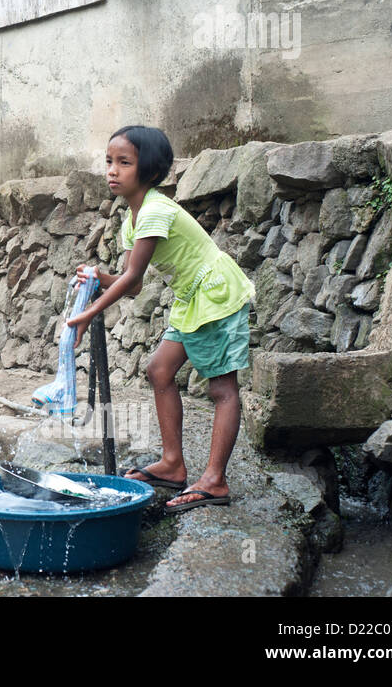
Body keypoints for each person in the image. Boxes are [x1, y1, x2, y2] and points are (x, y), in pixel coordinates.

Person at [65, 125, 254, 512]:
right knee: (159, 370)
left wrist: (89, 312)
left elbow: (133, 278)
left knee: (222, 389)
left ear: (149, 172)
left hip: (215, 293)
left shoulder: (154, 210)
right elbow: (131, 285)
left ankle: (215, 480)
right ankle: (172, 465)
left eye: (124, 163)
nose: (112, 171)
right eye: (109, 162)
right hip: (193, 297)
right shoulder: (133, 220)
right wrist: (98, 278)